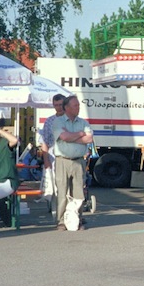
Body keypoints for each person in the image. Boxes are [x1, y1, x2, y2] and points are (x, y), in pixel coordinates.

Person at [52, 95, 93, 231]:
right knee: (62, 191)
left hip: (78, 160)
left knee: (78, 192)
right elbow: (63, 137)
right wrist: (80, 134)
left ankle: (78, 219)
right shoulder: (58, 122)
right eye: (75, 106)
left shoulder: (83, 122)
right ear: (67, 108)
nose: (78, 108)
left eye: (78, 105)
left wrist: (71, 137)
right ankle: (61, 221)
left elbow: (89, 139)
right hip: (62, 160)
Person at [39, 94, 66, 202]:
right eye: (56, 105)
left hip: (69, 154)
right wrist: (46, 160)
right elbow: (44, 141)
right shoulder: (49, 121)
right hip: (53, 154)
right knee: (55, 181)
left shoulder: (72, 119)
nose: (59, 107)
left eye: (61, 105)